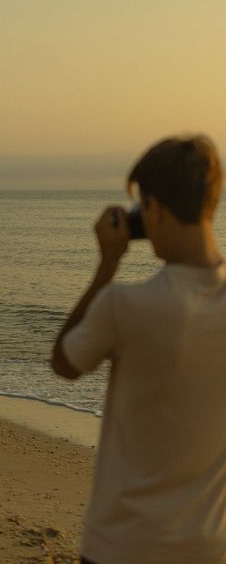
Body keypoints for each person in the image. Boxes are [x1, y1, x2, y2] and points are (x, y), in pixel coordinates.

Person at [51, 135, 226, 564]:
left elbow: (64, 362)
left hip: (122, 545)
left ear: (153, 210)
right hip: (209, 549)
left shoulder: (124, 305)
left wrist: (107, 264)